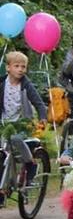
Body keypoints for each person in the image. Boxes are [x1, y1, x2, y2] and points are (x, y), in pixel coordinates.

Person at [0, 51, 47, 207]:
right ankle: (3, 189)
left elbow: (39, 103)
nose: (20, 69)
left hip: (22, 122)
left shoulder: (26, 85)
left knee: (16, 139)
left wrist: (42, 117)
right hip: (4, 123)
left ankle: (31, 163)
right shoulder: (2, 83)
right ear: (8, 68)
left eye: (23, 67)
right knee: (2, 154)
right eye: (16, 66)